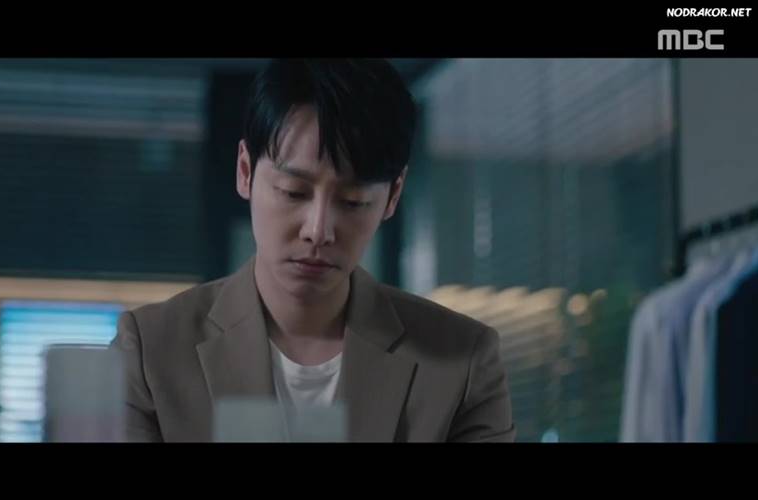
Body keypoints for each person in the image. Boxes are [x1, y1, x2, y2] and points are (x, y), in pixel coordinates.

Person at [110, 59, 515, 442]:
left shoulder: (461, 362)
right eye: (293, 192)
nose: (318, 230)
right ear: (245, 172)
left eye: (353, 201)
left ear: (393, 197)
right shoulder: (151, 351)